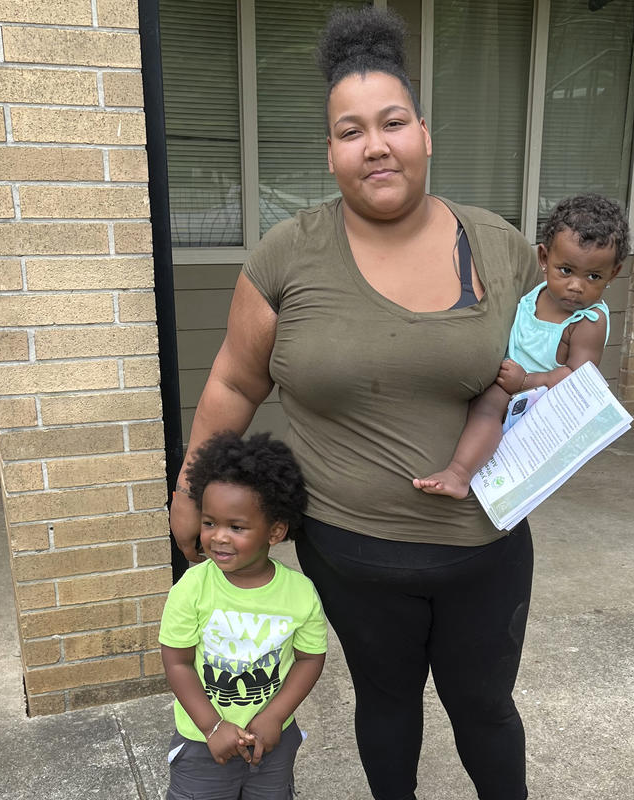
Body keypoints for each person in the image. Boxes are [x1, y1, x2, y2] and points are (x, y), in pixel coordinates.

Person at [169, 7, 540, 800]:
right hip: (355, 553)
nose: (375, 144)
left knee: (484, 708)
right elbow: (234, 383)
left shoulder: (500, 245)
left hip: (487, 550)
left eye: (392, 122)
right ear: (331, 152)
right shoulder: (287, 254)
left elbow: (547, 363)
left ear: (424, 134)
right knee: (388, 702)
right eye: (350, 130)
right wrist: (188, 491)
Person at [413, 193, 629, 499]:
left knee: (488, 407)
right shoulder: (536, 293)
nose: (576, 286)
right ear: (543, 258)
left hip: (539, 397)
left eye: (593, 276)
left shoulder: (587, 321)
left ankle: (459, 473)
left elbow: (579, 378)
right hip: (511, 377)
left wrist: (525, 382)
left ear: (613, 274)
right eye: (565, 271)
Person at [160, 431, 327, 800]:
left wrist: (274, 717)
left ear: (276, 531)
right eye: (209, 523)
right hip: (202, 742)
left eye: (236, 527)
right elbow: (177, 663)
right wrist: (212, 726)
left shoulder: (299, 593)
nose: (218, 537)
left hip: (271, 742)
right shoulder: (192, 588)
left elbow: (310, 659)